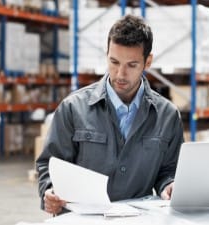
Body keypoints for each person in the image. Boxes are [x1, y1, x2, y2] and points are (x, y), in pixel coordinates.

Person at [36, 14, 184, 215]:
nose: (120, 74)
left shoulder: (168, 116)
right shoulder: (73, 108)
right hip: (83, 219)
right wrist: (49, 191)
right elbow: (50, 163)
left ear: (147, 62)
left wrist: (170, 186)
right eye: (114, 62)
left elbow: (169, 171)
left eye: (131, 65)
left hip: (139, 219)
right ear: (107, 54)